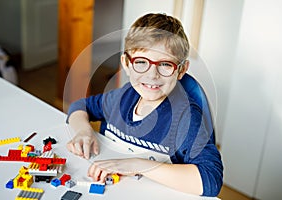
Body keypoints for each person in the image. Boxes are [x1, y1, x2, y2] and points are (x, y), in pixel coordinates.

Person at [66, 13, 223, 197]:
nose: (152, 75)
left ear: (181, 70)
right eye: (141, 62)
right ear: (126, 63)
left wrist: (137, 165)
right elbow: (80, 107)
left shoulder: (185, 118)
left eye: (165, 65)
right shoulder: (123, 96)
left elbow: (211, 180)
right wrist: (83, 130)